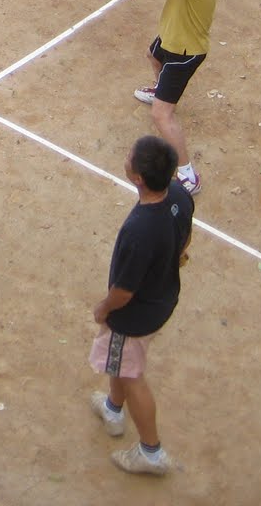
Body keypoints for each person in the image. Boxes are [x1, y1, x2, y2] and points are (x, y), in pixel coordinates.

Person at [88, 134, 194, 477]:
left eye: (129, 156)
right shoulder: (178, 194)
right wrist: (175, 255)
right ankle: (113, 409)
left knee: (131, 373)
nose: (126, 156)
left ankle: (151, 452)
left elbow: (123, 291)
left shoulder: (139, 230)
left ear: (138, 178)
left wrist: (104, 309)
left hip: (134, 316)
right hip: (163, 299)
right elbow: (186, 235)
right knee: (120, 363)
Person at [114, 0, 217, 194]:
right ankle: (160, 89)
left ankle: (187, 174)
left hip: (185, 51)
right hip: (172, 34)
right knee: (151, 55)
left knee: (161, 115)